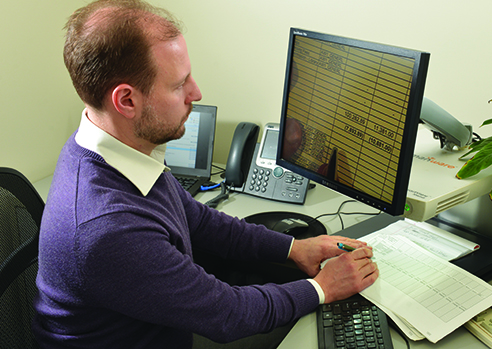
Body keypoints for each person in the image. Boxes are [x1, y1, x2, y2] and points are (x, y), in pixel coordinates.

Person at [32, 1, 379, 348]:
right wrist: (323, 288)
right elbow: (228, 315)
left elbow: (199, 221)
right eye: (179, 84)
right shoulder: (107, 229)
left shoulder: (114, 151)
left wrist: (293, 248)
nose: (196, 94)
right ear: (126, 101)